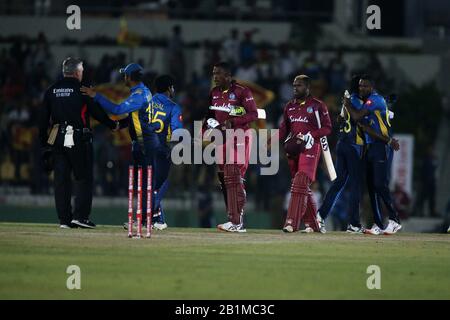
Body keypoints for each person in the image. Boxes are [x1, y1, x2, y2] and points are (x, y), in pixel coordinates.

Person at [38, 57, 121, 229]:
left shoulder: (51, 91)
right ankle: (80, 216)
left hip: (58, 139)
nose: (82, 73)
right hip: (78, 138)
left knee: (61, 180)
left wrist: (44, 145)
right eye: (82, 71)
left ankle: (64, 220)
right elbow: (96, 112)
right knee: (82, 178)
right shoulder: (82, 90)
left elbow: (42, 120)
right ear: (76, 72)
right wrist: (112, 125)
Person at [80, 63, 153, 228]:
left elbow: (118, 109)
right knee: (143, 183)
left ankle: (143, 221)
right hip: (144, 142)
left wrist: (95, 96)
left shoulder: (139, 94)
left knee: (142, 184)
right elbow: (137, 116)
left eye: (125, 75)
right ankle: (146, 219)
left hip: (143, 143)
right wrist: (121, 125)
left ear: (129, 77)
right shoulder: (142, 92)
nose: (123, 78)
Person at [204, 62, 258, 233]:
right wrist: (204, 132)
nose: (214, 77)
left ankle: (237, 221)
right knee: (224, 178)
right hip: (222, 138)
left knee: (233, 173)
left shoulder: (242, 91)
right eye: (213, 73)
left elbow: (253, 114)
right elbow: (209, 116)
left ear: (227, 75)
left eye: (218, 73)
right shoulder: (214, 93)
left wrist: (233, 121)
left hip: (240, 135)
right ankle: (234, 219)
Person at [345, 75, 402, 235]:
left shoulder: (373, 100)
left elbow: (356, 116)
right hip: (371, 146)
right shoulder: (371, 101)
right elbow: (365, 125)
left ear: (371, 87)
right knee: (371, 187)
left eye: (364, 86)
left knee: (380, 184)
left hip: (381, 147)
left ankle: (394, 219)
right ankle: (378, 223)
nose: (361, 88)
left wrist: (347, 104)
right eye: (360, 86)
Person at [279, 74, 332, 233]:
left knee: (301, 180)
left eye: (299, 85)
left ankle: (291, 222)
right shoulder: (289, 106)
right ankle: (313, 224)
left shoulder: (318, 106)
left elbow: (327, 128)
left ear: (308, 88)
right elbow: (284, 128)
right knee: (302, 186)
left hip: (311, 147)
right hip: (294, 149)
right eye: (294, 85)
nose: (295, 88)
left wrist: (311, 136)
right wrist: (271, 140)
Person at [142, 74, 183, 230]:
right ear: (169, 89)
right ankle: (147, 218)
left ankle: (159, 220)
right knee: (160, 185)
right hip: (162, 150)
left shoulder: (146, 103)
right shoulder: (173, 107)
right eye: (172, 87)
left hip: (145, 149)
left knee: (150, 186)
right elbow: (177, 132)